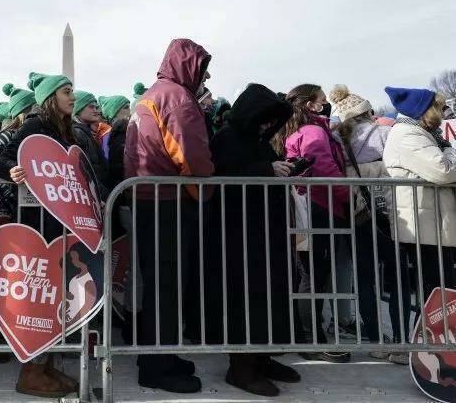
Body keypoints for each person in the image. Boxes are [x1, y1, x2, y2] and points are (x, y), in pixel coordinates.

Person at [124, 38, 214, 393]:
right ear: (190, 65)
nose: (205, 74)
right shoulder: (177, 98)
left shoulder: (152, 94)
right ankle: (156, 367)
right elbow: (192, 156)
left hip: (147, 198)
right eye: (203, 67)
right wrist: (206, 185)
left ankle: (159, 354)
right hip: (170, 201)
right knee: (167, 286)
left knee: (159, 285)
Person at [0, 71, 80, 398]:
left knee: (55, 297)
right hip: (38, 224)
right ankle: (30, 372)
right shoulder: (33, 126)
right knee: (39, 298)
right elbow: (0, 157)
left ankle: (45, 366)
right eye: (67, 92)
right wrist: (10, 170)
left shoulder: (65, 129)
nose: (73, 97)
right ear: (50, 98)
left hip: (58, 223)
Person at [210, 84, 300, 397]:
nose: (267, 125)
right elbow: (222, 175)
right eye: (264, 118)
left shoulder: (256, 139)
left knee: (269, 293)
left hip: (264, 230)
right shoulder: (227, 137)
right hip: (240, 233)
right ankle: (242, 367)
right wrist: (265, 169)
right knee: (246, 296)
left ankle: (262, 357)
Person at [330, 85, 411, 363]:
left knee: (365, 277)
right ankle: (401, 341)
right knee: (398, 276)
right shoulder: (386, 133)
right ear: (367, 112)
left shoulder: (337, 140)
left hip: (358, 212)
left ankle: (376, 340)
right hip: (392, 212)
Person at [274, 84, 351, 363]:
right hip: (319, 206)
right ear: (309, 104)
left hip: (306, 206)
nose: (325, 104)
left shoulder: (294, 129)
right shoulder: (313, 131)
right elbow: (324, 169)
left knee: (307, 272)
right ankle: (311, 337)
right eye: (321, 100)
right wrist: (347, 193)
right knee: (313, 274)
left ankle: (308, 333)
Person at [383, 87, 456, 298]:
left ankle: (435, 331)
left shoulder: (417, 132)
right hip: (424, 224)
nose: (443, 112)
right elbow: (444, 171)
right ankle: (431, 332)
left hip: (430, 222)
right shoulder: (409, 134)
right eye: (439, 107)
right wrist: (450, 150)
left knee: (438, 293)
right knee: (436, 293)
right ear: (426, 110)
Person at [0, 83, 36, 223]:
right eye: (33, 109)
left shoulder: (36, 135)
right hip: (9, 204)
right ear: (22, 113)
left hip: (31, 203)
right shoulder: (4, 137)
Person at [72, 90, 111, 197]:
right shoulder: (78, 133)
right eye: (91, 107)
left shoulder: (85, 132)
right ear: (78, 109)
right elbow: (85, 171)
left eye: (96, 107)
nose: (96, 111)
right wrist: (102, 196)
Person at [62, 242, 104, 326]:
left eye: (74, 258)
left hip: (77, 320)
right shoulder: (75, 276)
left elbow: (88, 304)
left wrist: (73, 321)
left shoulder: (88, 281)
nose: (72, 261)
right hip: (69, 316)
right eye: (71, 258)